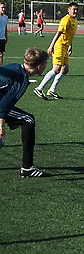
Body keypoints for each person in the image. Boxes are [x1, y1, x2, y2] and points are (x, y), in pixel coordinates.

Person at [0, 47, 50, 177]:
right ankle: (27, 168)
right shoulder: (22, 80)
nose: (45, 67)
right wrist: (1, 126)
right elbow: (3, 107)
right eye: (45, 64)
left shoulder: (15, 67)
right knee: (28, 120)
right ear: (39, 67)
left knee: (23, 118)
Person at [33, 2, 79, 100]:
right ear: (69, 10)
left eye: (76, 9)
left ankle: (52, 90)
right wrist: (51, 46)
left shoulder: (75, 21)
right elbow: (58, 33)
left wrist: (70, 46)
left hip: (65, 47)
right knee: (56, 69)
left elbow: (69, 35)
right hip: (59, 46)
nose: (75, 11)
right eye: (73, 9)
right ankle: (39, 88)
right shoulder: (65, 20)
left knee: (65, 69)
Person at [0, 2, 8, 67]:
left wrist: (6, 37)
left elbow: (5, 28)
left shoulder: (6, 17)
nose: (3, 9)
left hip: (2, 38)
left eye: (4, 7)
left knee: (1, 54)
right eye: (2, 7)